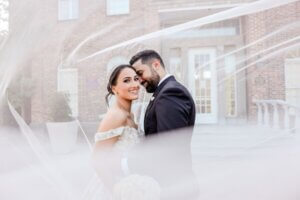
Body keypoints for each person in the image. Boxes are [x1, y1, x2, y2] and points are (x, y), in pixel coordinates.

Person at [129, 49, 199, 200]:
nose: (139, 80)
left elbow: (169, 149)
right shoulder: (163, 92)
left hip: (173, 187)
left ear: (156, 65)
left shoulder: (170, 93)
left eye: (140, 73)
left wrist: (128, 163)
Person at [92, 64, 160, 200]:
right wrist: (116, 191)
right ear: (114, 88)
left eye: (136, 79)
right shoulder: (116, 116)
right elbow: (97, 160)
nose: (134, 84)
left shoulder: (131, 116)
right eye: (126, 80)